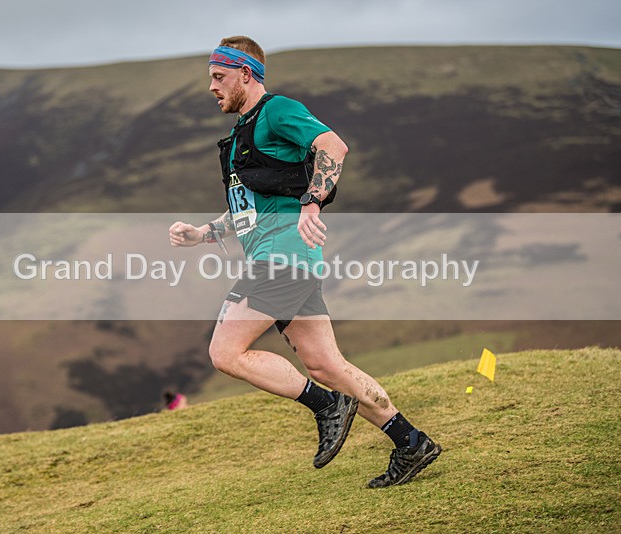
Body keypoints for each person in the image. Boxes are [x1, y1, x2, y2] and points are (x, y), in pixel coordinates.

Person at [169, 36, 440, 488]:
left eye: (219, 77)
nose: (212, 87)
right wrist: (204, 234)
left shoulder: (277, 110)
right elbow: (250, 207)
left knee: (225, 352)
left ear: (246, 74)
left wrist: (313, 202)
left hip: (284, 258)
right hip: (286, 258)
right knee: (327, 365)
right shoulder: (243, 131)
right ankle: (411, 442)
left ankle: (326, 405)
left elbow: (333, 146)